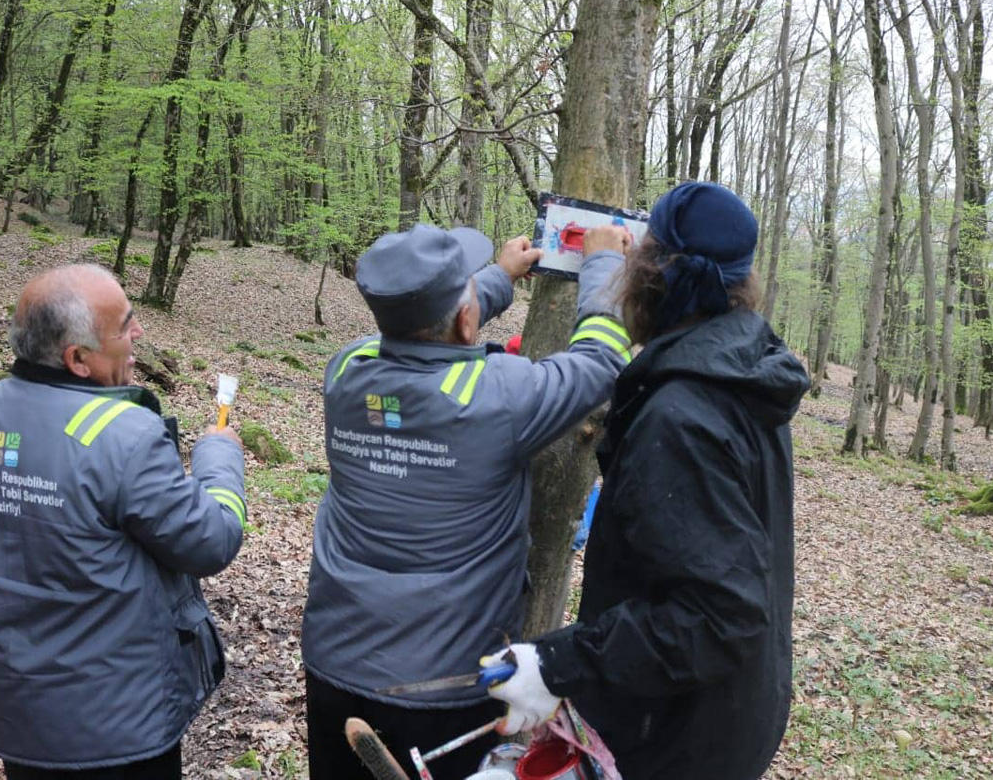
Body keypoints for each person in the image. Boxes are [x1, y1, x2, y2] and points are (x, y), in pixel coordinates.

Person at [482, 182, 810, 779]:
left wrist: (560, 664)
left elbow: (719, 617)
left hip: (680, 736)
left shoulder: (682, 413)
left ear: (650, 274)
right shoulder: (739, 366)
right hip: (723, 713)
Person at [302, 223, 632, 779]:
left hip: (334, 666)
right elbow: (600, 361)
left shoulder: (346, 370)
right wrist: (603, 266)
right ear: (465, 318)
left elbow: (419, 328)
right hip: (443, 687)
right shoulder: (500, 396)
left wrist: (499, 278)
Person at [0, 264, 246, 779]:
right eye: (124, 325)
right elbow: (211, 542)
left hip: (16, 713)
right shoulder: (124, 435)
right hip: (122, 726)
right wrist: (218, 457)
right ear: (78, 359)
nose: (138, 332)